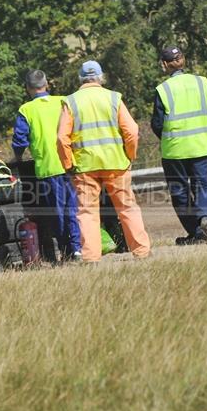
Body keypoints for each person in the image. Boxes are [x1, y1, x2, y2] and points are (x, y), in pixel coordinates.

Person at [57, 60, 151, 263]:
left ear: (80, 78)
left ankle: (91, 257)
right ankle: (141, 252)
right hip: (116, 163)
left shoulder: (71, 101)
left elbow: (61, 138)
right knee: (127, 207)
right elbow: (132, 131)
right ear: (101, 77)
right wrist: (130, 155)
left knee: (88, 212)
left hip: (84, 166)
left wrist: (68, 164)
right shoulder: (114, 98)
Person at [11, 69, 82, 261]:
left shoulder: (26, 110)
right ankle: (76, 249)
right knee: (73, 209)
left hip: (47, 168)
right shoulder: (63, 101)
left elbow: (19, 140)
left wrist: (18, 158)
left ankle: (65, 249)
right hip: (71, 164)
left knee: (57, 213)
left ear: (27, 88)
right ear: (47, 84)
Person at [151, 45, 207, 245]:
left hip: (175, 150)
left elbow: (157, 124)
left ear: (164, 65)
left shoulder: (163, 89)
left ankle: (196, 232)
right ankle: (205, 219)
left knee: (179, 191)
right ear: (183, 59)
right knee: (202, 185)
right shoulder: (202, 83)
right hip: (200, 145)